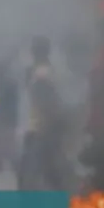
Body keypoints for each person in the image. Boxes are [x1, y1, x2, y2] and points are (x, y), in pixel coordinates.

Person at [18, 36, 67, 190]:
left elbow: (48, 102)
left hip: (41, 130)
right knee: (48, 172)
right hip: (41, 128)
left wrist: (45, 129)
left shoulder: (42, 74)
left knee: (33, 172)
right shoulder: (46, 71)